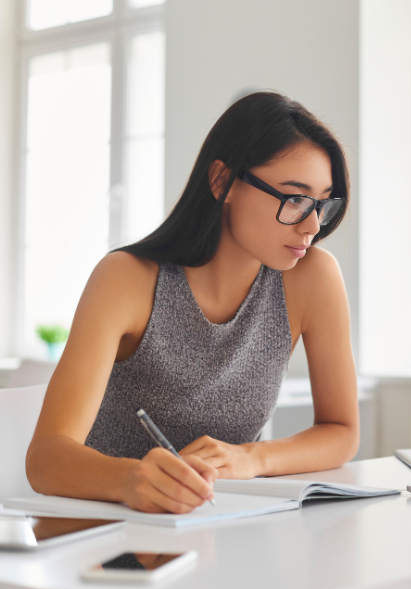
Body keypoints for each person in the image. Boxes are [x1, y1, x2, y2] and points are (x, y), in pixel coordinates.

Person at [26, 92, 358, 514]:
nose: (312, 225)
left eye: (322, 203)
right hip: (109, 533)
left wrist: (251, 458)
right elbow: (45, 459)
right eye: (294, 199)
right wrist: (130, 479)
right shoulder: (126, 278)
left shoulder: (312, 277)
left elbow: (341, 430)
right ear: (222, 181)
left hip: (222, 528)